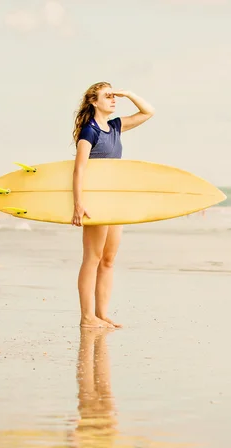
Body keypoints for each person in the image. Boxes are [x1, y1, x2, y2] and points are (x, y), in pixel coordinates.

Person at [71, 83, 154, 329]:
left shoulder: (116, 126)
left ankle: (101, 314)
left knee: (108, 259)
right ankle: (87, 317)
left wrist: (128, 94)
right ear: (94, 102)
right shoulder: (90, 131)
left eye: (113, 95)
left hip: (114, 201)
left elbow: (148, 112)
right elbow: (79, 169)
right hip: (95, 201)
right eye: (107, 96)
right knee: (92, 257)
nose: (113, 99)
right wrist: (78, 204)